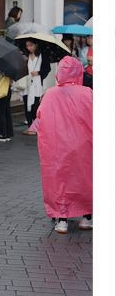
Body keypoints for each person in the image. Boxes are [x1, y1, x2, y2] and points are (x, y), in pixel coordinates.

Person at [32, 56, 92, 234]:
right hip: (83, 144)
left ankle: (62, 219)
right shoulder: (87, 92)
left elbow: (41, 117)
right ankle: (86, 217)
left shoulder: (51, 94)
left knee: (59, 180)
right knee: (85, 178)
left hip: (57, 146)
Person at [22, 39, 51, 136]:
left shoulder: (42, 56)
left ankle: (36, 126)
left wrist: (38, 73)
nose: (29, 48)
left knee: (35, 106)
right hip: (27, 83)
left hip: (37, 83)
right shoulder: (26, 56)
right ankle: (30, 127)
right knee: (27, 105)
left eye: (31, 45)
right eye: (27, 46)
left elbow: (47, 69)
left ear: (35, 45)